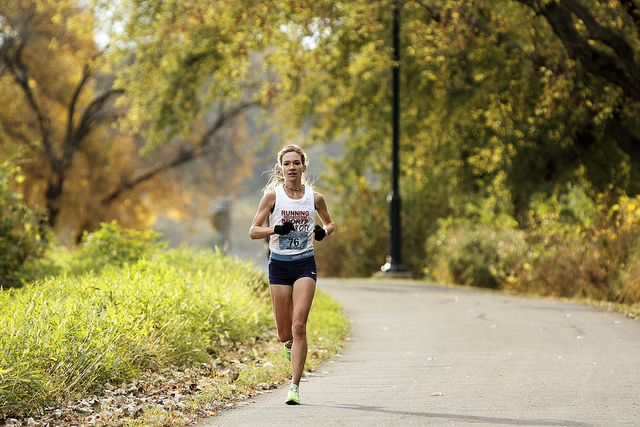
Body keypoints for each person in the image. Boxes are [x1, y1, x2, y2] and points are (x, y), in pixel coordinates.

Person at [249, 144, 335, 405]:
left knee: (299, 326)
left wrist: (324, 232)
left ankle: (294, 386)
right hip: (279, 266)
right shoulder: (272, 197)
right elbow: (253, 231)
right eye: (287, 164)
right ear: (280, 168)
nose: (291, 168)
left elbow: (330, 222)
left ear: (304, 167)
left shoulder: (315, 198)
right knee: (284, 332)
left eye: (296, 163)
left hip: (304, 264)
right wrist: (275, 229)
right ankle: (289, 345)